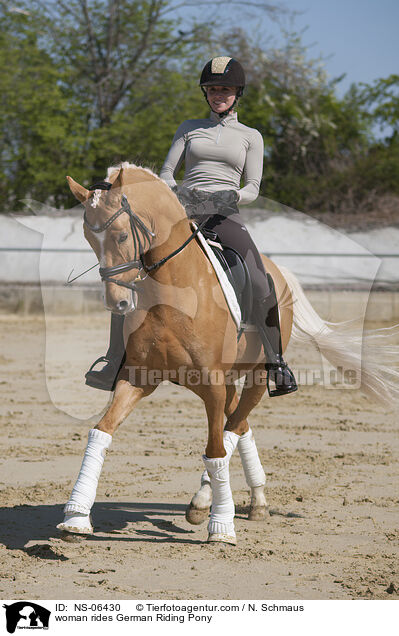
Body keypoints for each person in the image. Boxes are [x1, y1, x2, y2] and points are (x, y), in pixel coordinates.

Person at [85, 56, 297, 397]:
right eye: (212, 89)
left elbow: (254, 187)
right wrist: (180, 189)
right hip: (184, 212)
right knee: (132, 272)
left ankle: (276, 362)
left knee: (259, 278)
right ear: (206, 93)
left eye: (225, 89)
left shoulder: (250, 137)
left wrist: (232, 194)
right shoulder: (189, 128)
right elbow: (167, 171)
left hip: (224, 215)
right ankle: (114, 360)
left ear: (236, 93)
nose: (218, 95)